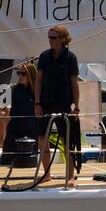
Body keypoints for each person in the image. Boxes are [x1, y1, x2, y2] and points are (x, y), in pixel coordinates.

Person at [35, 25, 82, 187]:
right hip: (45, 103)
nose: (50, 40)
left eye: (53, 38)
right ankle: (46, 173)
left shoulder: (71, 58)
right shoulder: (44, 56)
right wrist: (37, 103)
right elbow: (38, 81)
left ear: (63, 39)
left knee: (66, 140)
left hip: (63, 104)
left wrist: (77, 107)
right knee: (42, 139)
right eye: (49, 37)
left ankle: (70, 176)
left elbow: (74, 83)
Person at [0, 62, 38, 164]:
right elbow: (4, 110)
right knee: (6, 161)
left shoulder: (37, 92)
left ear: (31, 75)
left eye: (23, 74)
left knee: (30, 161)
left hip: (32, 131)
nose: (20, 76)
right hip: (14, 130)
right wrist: (4, 114)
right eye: (19, 73)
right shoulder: (13, 90)